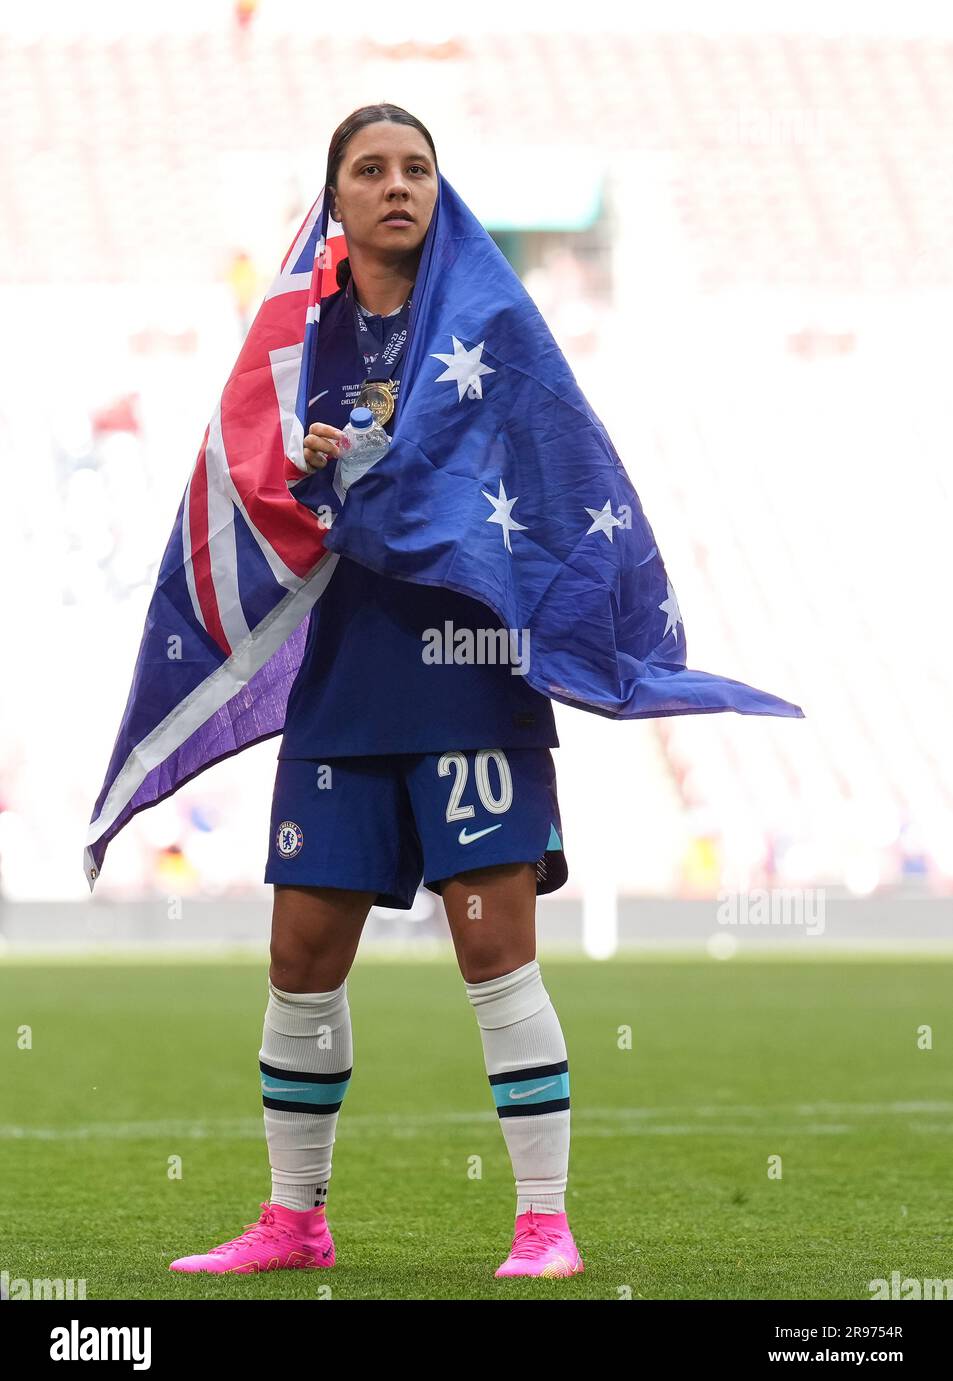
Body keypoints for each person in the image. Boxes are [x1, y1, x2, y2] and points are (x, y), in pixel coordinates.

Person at [168, 105, 583, 1281]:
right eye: (370, 169)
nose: (395, 185)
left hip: (467, 678)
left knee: (493, 952)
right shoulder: (298, 340)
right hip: (349, 675)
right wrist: (297, 468)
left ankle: (541, 1221)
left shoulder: (494, 326)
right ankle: (295, 1220)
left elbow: (553, 474)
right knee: (300, 955)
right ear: (335, 201)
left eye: (415, 168)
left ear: (437, 193)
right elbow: (245, 487)